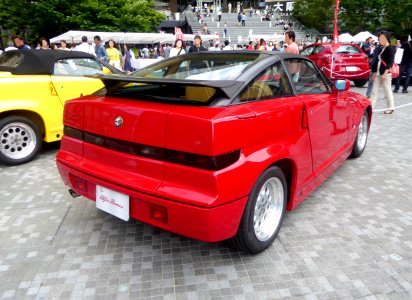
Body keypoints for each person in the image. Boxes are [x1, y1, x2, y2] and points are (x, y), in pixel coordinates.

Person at [370, 31, 396, 114]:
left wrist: (385, 73)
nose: (381, 40)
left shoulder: (390, 48)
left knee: (387, 90)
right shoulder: (382, 48)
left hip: (386, 73)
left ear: (387, 38)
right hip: (378, 72)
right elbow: (378, 61)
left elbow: (390, 62)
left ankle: (390, 107)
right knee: (374, 91)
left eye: (382, 38)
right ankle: (370, 107)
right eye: (380, 38)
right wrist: (374, 72)